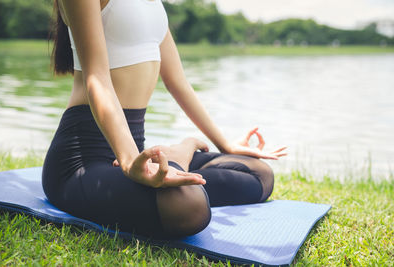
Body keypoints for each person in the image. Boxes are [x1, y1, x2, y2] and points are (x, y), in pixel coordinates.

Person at [42, 0, 287, 239]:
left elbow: (177, 82)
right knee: (188, 207)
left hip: (133, 150)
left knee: (259, 174)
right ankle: (180, 154)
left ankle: (176, 162)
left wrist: (226, 144)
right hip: (82, 162)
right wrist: (128, 161)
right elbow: (97, 78)